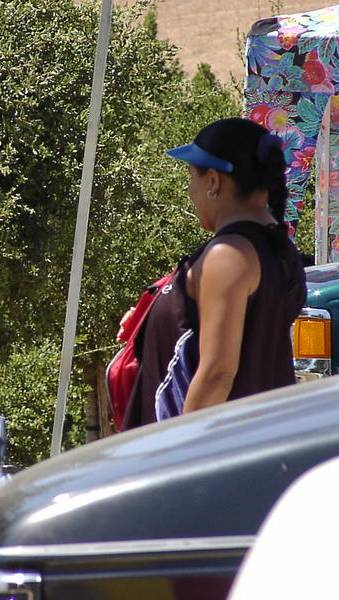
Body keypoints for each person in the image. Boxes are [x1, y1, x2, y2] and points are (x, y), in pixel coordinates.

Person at [122, 118, 307, 430]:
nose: (189, 189)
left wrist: (186, 446)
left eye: (191, 177)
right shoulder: (277, 247)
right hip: (258, 436)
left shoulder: (229, 254)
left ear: (213, 181)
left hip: (214, 445)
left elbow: (217, 374)